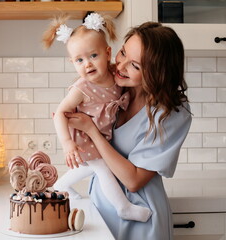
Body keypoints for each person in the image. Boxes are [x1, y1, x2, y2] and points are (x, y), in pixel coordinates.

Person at [65, 21, 192, 240]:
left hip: (141, 218)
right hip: (101, 212)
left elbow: (133, 181)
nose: (121, 66)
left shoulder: (171, 113)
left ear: (156, 72)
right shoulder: (114, 86)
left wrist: (92, 131)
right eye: (122, 53)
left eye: (135, 65)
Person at [42, 12, 152, 222]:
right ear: (72, 62)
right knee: (101, 168)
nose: (88, 64)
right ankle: (124, 207)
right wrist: (67, 144)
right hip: (84, 138)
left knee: (88, 167)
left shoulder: (115, 75)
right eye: (79, 60)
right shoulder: (82, 88)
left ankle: (60, 186)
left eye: (94, 56)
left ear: (108, 52)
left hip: (99, 136)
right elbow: (60, 114)